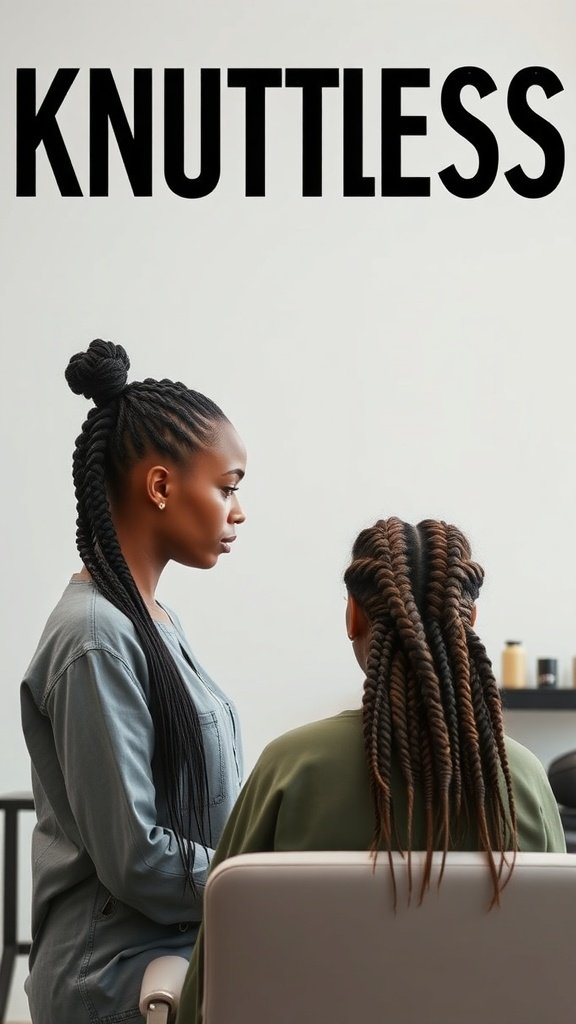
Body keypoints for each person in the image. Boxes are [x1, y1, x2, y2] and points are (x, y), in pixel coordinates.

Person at [176, 516, 565, 1023]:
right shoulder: (521, 778)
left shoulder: (289, 768)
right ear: (468, 621)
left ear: (353, 617)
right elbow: (558, 960)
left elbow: (215, 971)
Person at [20, 338, 247, 1024]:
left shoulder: (150, 621)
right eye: (227, 487)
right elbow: (137, 859)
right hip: (115, 982)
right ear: (160, 487)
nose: (238, 511)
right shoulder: (95, 638)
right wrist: (255, 874)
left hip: (171, 958)